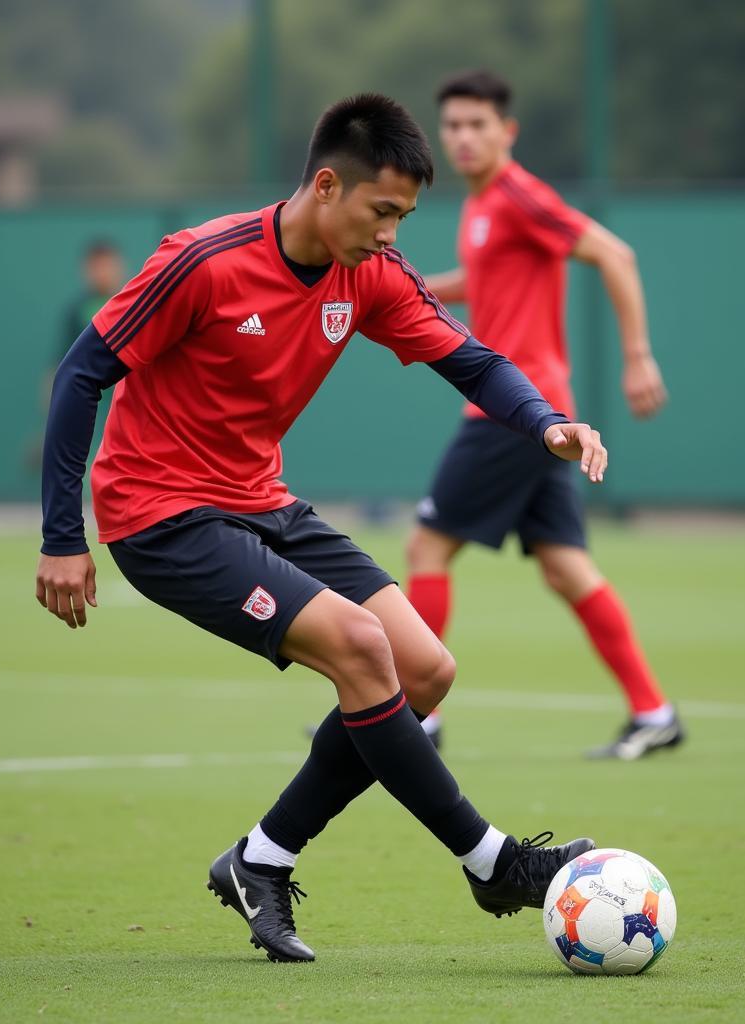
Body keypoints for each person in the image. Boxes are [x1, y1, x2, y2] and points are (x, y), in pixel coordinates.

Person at [36, 94, 609, 964]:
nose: (391, 235)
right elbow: (83, 372)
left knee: (425, 668)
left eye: (405, 217)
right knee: (360, 644)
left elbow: (473, 359)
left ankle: (260, 860)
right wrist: (61, 536)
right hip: (160, 514)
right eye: (382, 212)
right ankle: (492, 863)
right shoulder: (204, 260)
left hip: (262, 501)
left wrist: (547, 422)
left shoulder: (370, 273)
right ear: (327, 185)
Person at [406, 70, 682, 761]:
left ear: (507, 131)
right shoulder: (479, 208)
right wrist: (406, 289)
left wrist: (638, 355)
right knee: (566, 568)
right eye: (454, 126)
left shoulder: (519, 195)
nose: (465, 137)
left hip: (513, 410)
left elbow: (614, 253)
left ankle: (418, 715)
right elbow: (484, 281)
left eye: (478, 125)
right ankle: (654, 713)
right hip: (540, 414)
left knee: (426, 548)